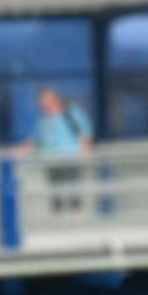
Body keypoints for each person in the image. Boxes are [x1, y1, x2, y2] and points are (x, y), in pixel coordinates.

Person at [25, 86, 93, 214]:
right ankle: (57, 217)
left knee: (73, 189)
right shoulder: (43, 120)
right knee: (54, 192)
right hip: (50, 160)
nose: (42, 103)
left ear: (55, 99)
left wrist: (84, 154)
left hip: (70, 158)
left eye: (45, 100)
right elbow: (34, 141)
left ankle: (77, 216)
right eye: (41, 101)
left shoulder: (71, 113)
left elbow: (85, 134)